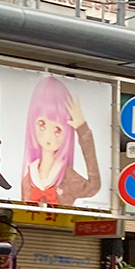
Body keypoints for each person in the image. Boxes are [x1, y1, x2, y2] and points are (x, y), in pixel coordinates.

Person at [21, 75, 100, 206]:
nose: (48, 136)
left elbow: (93, 187)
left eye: (58, 130)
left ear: (67, 133)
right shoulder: (28, 176)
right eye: (42, 125)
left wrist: (83, 130)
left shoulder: (66, 175)